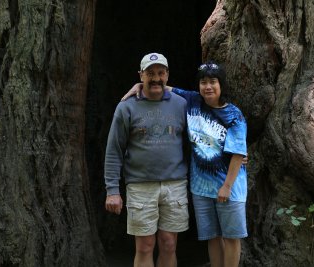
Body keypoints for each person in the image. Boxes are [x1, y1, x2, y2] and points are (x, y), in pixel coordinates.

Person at [126, 61, 248, 267]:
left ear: (222, 85)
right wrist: (139, 86)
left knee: (231, 236)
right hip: (201, 187)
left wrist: (227, 186)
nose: (208, 87)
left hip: (229, 187)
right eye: (203, 82)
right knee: (212, 236)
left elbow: (237, 153)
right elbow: (163, 86)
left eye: (213, 82)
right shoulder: (192, 101)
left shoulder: (233, 114)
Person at [104, 52, 189, 267]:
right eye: (150, 73)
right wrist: (112, 190)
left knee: (169, 243)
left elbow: (210, 109)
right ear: (140, 75)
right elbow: (114, 149)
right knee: (145, 246)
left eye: (161, 73)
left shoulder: (182, 104)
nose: (156, 78)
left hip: (175, 184)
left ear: (167, 75)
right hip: (140, 186)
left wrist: (235, 154)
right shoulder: (126, 107)